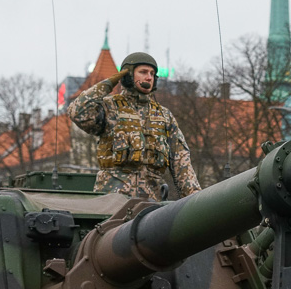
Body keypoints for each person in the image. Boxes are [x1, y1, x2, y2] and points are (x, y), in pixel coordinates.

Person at [67, 51, 200, 200]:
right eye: (143, 72)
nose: (149, 77)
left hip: (151, 202)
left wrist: (195, 200)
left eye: (152, 74)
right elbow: (77, 112)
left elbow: (181, 163)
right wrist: (110, 82)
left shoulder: (164, 116)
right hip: (112, 199)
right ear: (128, 75)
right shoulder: (109, 107)